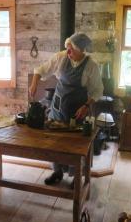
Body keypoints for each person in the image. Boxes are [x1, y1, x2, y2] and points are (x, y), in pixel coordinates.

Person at [29, 33, 103, 186]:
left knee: (76, 145)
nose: (68, 53)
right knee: (55, 141)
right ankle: (57, 171)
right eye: (67, 49)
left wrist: (87, 105)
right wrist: (34, 83)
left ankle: (77, 176)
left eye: (72, 50)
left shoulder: (91, 66)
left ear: (82, 51)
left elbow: (97, 91)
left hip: (78, 109)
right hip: (58, 106)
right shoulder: (61, 57)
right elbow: (41, 70)